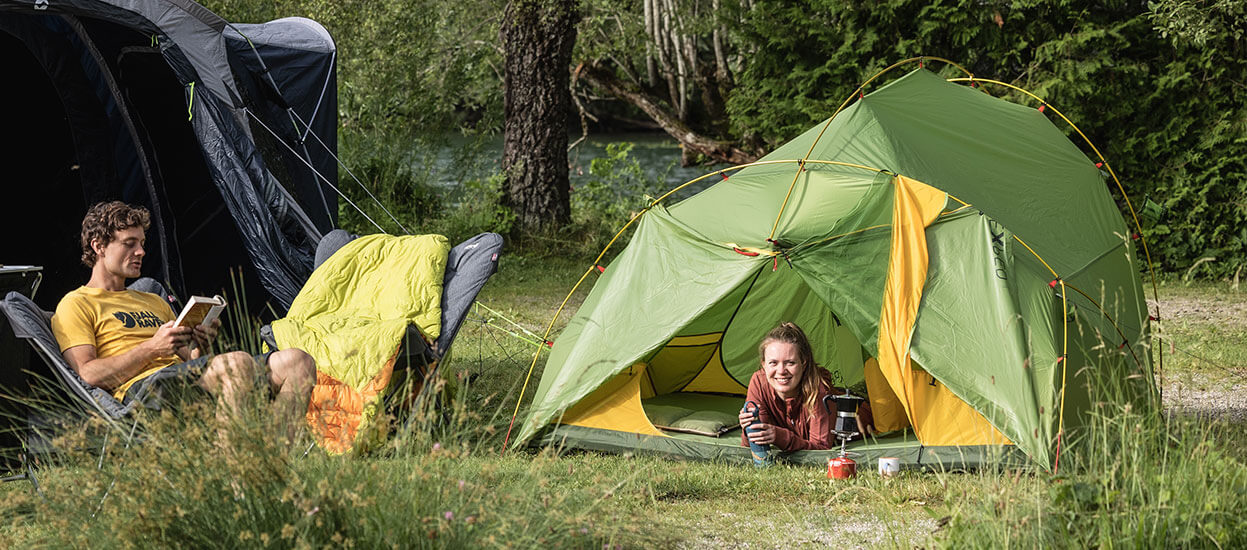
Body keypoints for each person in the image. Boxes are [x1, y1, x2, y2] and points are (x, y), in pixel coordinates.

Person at [50, 201, 316, 443]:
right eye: (129, 243)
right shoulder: (76, 304)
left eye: (142, 243)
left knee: (297, 362)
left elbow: (192, 361)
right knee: (236, 363)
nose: (141, 251)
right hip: (144, 393)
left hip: (184, 382)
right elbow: (87, 374)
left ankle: (273, 466)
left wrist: (202, 344)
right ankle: (238, 485)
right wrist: (151, 348)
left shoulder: (153, 300)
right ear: (98, 246)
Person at [739, 322, 874, 452]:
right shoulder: (759, 381)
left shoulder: (818, 388)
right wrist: (747, 427)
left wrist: (781, 437)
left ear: (803, 363)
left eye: (790, 363)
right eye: (773, 363)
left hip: (861, 404)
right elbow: (753, 444)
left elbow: (821, 449)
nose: (781, 371)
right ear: (763, 364)